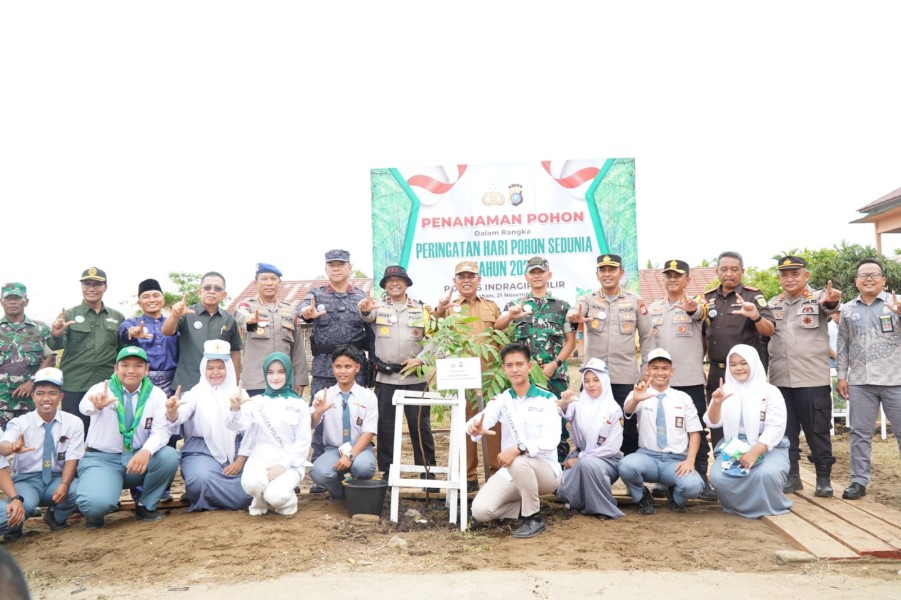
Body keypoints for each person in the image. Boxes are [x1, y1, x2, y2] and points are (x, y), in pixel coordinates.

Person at [75, 346, 180, 527]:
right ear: (116, 369)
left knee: (169, 456)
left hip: (136, 457)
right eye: (125, 365)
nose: (131, 370)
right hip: (103, 460)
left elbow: (161, 431)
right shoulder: (102, 388)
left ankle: (146, 506)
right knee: (95, 506)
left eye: (138, 366)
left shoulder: (155, 394)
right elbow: (85, 407)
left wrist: (146, 451)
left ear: (146, 370)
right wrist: (97, 405)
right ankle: (99, 503)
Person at [467, 343, 561, 539]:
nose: (514, 369)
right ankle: (522, 506)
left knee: (518, 460)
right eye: (509, 365)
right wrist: (474, 427)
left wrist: (519, 448)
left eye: (519, 364)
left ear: (529, 366)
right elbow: (480, 420)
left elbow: (552, 440)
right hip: (513, 472)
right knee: (481, 511)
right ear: (503, 369)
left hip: (545, 472)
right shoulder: (502, 400)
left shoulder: (547, 399)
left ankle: (533, 518)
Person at [766, 256, 841, 496]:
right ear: (779, 279)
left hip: (812, 380)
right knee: (786, 432)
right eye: (784, 275)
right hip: (780, 380)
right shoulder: (773, 303)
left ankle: (823, 479)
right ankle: (792, 476)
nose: (789, 279)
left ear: (806, 276)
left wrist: (832, 301)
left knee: (817, 430)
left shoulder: (818, 298)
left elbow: (831, 306)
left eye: (795, 274)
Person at [298, 249, 372, 492]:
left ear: (350, 267)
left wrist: (366, 312)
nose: (336, 268)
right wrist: (306, 314)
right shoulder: (315, 295)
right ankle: (324, 468)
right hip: (323, 369)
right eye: (332, 265)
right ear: (326, 269)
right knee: (320, 419)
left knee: (356, 418)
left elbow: (371, 330)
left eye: (341, 264)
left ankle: (356, 462)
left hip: (355, 370)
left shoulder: (361, 297)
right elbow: (301, 309)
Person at [569, 254, 652, 456]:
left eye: (612, 270)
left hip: (624, 376)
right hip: (593, 378)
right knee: (587, 424)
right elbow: (573, 313)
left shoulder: (635, 302)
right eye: (602, 270)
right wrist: (575, 317)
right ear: (597, 274)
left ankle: (632, 478)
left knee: (629, 428)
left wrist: (645, 369)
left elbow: (647, 336)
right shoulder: (587, 300)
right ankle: (588, 472)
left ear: (621, 273)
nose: (607, 274)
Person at [494, 256, 576, 462]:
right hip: (525, 377)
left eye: (541, 271)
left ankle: (556, 470)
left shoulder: (562, 307)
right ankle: (528, 465)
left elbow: (570, 342)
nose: (537, 275)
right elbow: (498, 325)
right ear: (526, 277)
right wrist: (511, 316)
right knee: (526, 422)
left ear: (549, 275)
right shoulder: (515, 305)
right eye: (533, 272)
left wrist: (554, 364)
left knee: (557, 422)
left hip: (555, 374)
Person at [359, 265, 435, 481]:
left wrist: (421, 359)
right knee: (386, 429)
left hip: (415, 379)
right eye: (389, 280)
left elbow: (435, 340)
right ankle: (388, 475)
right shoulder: (378, 308)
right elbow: (366, 314)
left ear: (406, 284)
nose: (394, 283)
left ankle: (428, 474)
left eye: (399, 279)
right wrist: (364, 308)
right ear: (384, 285)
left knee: (421, 428)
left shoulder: (422, 310)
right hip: (386, 378)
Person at [647, 259, 714, 499]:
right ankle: (663, 479)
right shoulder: (653, 308)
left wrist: (692, 308)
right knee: (660, 430)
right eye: (668, 275)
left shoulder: (697, 305)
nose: (672, 279)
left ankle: (702, 477)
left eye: (678, 275)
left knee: (695, 429)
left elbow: (700, 315)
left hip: (689, 380)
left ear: (688, 278)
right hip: (660, 383)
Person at [836, 258, 901, 500]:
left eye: (874, 274)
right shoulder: (848, 309)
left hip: (896, 379)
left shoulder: (896, 303)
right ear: (856, 281)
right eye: (863, 275)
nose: (869, 278)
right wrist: (842, 375)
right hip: (861, 382)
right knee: (860, 433)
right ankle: (858, 481)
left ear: (884, 280)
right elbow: (842, 344)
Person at [434, 260, 502, 491]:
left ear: (479, 280)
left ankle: (496, 476)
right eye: (461, 276)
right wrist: (440, 310)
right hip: (461, 381)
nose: (466, 280)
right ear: (454, 281)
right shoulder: (448, 307)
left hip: (489, 380)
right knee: (465, 429)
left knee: (493, 429)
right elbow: (435, 331)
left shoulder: (492, 307)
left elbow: (501, 339)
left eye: (471, 276)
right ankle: (469, 479)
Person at [705, 344, 792, 518]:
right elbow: (713, 423)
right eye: (733, 364)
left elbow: (776, 427)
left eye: (743, 363)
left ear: (753, 363)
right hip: (734, 446)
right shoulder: (725, 391)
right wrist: (716, 403)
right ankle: (736, 507)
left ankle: (769, 506)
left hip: (765, 446)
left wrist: (754, 452)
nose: (738, 368)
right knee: (718, 476)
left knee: (766, 474)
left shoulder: (770, 391)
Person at [165, 340, 251, 512]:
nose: (215, 372)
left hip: (238, 451)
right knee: (199, 480)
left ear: (228, 368)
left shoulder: (240, 393)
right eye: (210, 368)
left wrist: (240, 461)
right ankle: (231, 498)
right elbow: (179, 416)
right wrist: (172, 411)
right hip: (202, 449)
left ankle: (222, 497)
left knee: (253, 484)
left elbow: (249, 431)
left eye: (221, 367)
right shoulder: (195, 393)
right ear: (203, 368)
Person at [703, 251, 775, 452]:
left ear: (742, 271)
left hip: (744, 373)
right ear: (717, 271)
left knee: (749, 419)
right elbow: (703, 336)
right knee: (718, 420)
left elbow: (770, 330)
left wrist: (755, 317)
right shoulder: (707, 299)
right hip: (717, 372)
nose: (729, 274)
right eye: (724, 269)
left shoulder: (752, 295)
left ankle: (751, 460)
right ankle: (722, 467)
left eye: (734, 269)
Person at [0, 368, 83, 541]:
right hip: (27, 480)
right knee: (24, 505)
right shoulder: (20, 423)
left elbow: (72, 458)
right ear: (33, 396)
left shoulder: (73, 422)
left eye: (52, 393)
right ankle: (13, 528)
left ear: (61, 396)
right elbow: (3, 445)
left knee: (80, 491)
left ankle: (55, 517)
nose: (46, 398)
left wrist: (65, 483)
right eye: (40, 393)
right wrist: (12, 447)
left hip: (57, 478)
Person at [618, 348, 704, 515]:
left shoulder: (683, 398)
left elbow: (694, 433)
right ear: (647, 370)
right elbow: (628, 410)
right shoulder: (640, 393)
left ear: (672, 371)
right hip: (648, 457)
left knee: (694, 487)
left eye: (665, 368)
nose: (660, 372)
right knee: (627, 465)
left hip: (675, 461)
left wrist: (690, 461)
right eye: (655, 368)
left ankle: (676, 496)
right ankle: (642, 496)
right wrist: (636, 398)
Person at [226, 352, 312, 516]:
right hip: (260, 457)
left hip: (289, 460)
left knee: (277, 496)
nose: (275, 377)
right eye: (270, 372)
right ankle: (260, 499)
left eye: (281, 371)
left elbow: (303, 441)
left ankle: (287, 501)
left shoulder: (299, 404)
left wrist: (284, 465)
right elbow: (236, 425)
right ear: (265, 374)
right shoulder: (255, 401)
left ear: (288, 373)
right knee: (251, 485)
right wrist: (235, 409)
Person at [49, 267, 126, 433]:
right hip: (75, 384)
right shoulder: (68, 315)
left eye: (97, 284)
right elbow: (55, 345)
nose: (91, 288)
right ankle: (73, 460)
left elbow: (122, 352)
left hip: (106, 384)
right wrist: (56, 334)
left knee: (105, 431)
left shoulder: (117, 317)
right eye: (87, 284)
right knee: (73, 432)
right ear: (82, 287)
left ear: (105, 287)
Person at [556, 358, 625, 519]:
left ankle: (604, 509)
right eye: (586, 381)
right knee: (562, 490)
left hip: (607, 461)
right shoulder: (579, 404)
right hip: (581, 455)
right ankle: (584, 501)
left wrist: (580, 459)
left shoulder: (614, 410)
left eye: (596, 380)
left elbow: (612, 448)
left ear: (605, 381)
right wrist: (565, 402)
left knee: (587, 464)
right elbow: (563, 410)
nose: (591, 385)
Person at [310, 346, 378, 499]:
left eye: (348, 366)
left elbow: (369, 432)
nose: (342, 371)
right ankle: (340, 493)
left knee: (364, 467)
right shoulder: (323, 395)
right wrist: (318, 412)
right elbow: (311, 426)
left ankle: (357, 489)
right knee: (318, 472)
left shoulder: (368, 396)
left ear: (357, 368)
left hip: (359, 448)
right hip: (333, 449)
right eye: (338, 366)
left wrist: (350, 456)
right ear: (332, 368)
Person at [162, 271, 243, 394]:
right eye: (207, 287)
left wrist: (235, 384)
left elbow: (235, 352)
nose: (212, 291)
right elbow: (167, 331)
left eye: (217, 288)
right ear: (200, 291)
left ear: (224, 294)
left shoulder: (229, 319)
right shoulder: (186, 313)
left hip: (218, 385)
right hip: (187, 384)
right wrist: (174, 316)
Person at [236, 263, 309, 397]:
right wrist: (249, 319)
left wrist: (299, 380)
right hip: (256, 382)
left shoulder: (289, 311)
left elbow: (297, 349)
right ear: (255, 283)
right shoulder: (248, 305)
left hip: (284, 382)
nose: (269, 283)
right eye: (264, 279)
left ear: (279, 282)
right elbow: (240, 314)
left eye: (273, 279)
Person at [0, 283, 56, 430]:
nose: (13, 302)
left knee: (29, 445)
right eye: (8, 298)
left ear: (26, 301)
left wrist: (32, 382)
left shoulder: (41, 329)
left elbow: (50, 358)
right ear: (1, 301)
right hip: (1, 401)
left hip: (29, 401)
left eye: (17, 298)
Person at [118, 278, 180, 395]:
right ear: (139, 303)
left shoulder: (174, 324)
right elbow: (124, 332)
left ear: (163, 299)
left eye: (156, 295)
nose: (152, 300)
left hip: (171, 381)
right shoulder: (132, 322)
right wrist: (132, 332)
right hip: (140, 380)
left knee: (168, 412)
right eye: (146, 297)